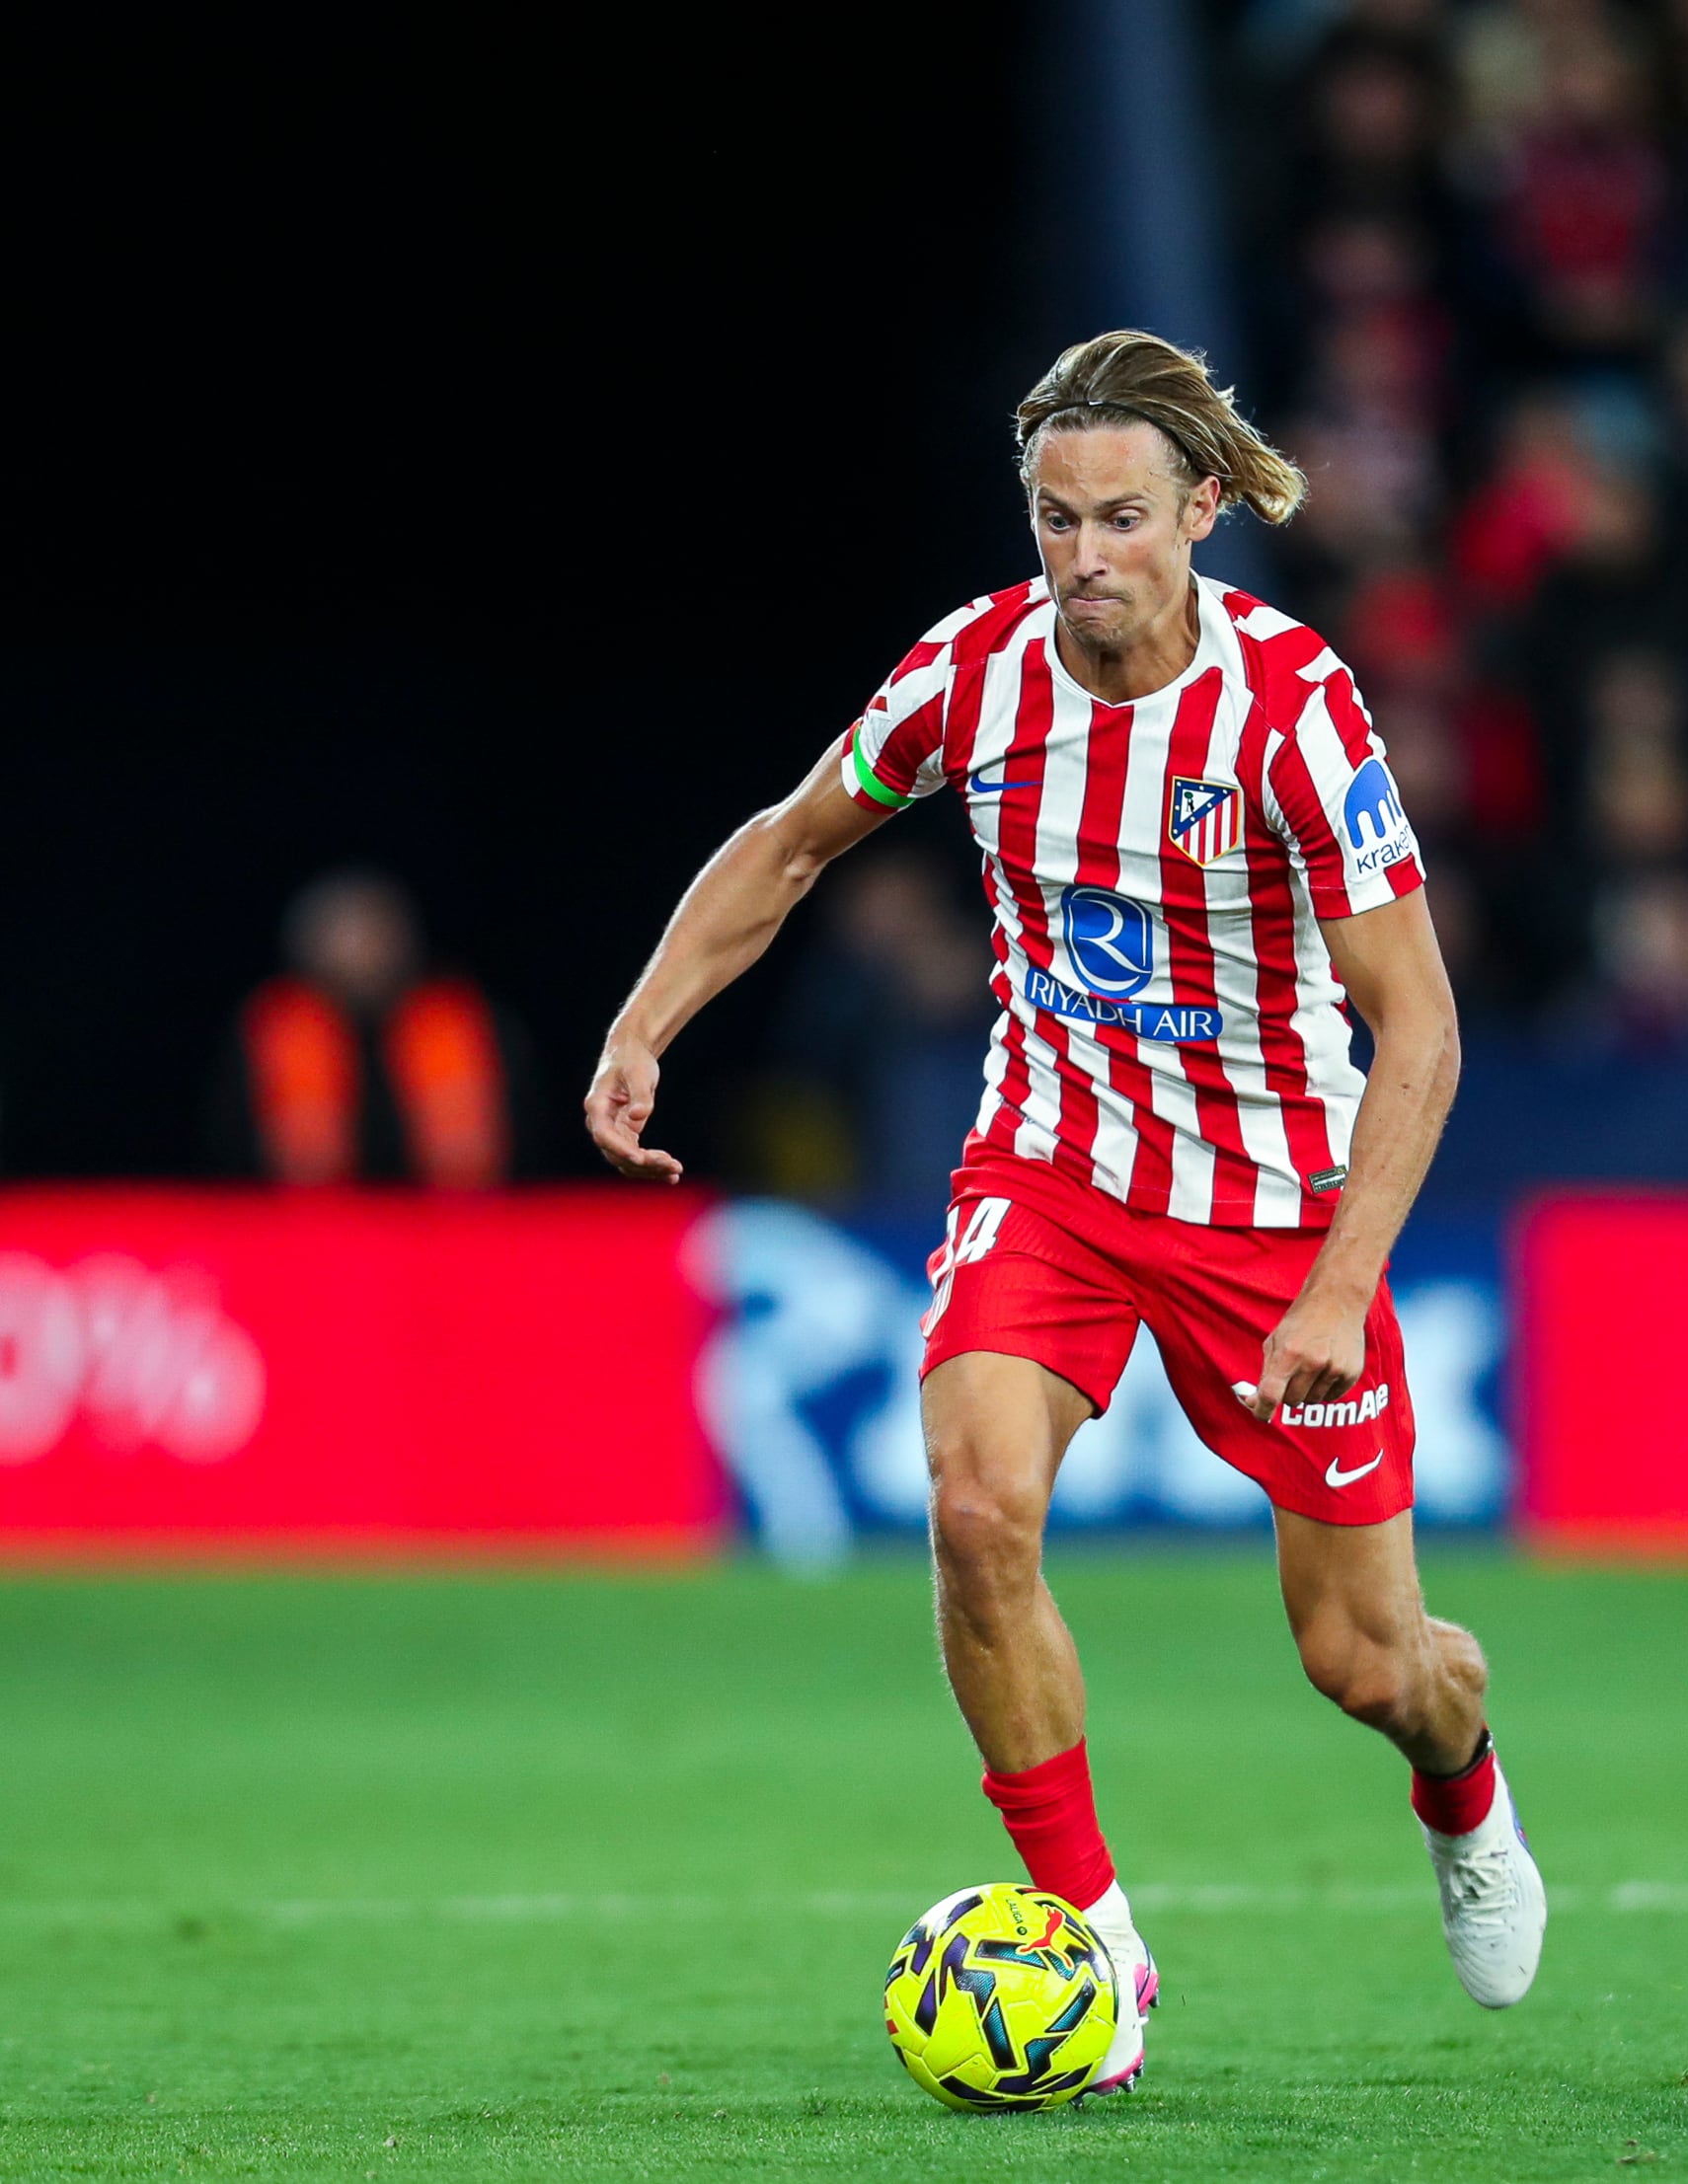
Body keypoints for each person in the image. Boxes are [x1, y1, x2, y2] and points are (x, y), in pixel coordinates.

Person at [581, 332, 1544, 2086]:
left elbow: (1419, 1025)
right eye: (1051, 520)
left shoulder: (1291, 708)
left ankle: (1463, 1793)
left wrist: (1336, 1288)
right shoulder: (973, 674)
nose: (1083, 556)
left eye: (1117, 518)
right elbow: (792, 841)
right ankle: (1092, 1939)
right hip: (1051, 1164)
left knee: (1367, 1660)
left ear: (1197, 512)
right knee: (973, 1508)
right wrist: (646, 1023)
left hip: (1272, 1206)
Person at [224, 868, 514, 1188]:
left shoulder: (461, 1023)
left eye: (376, 933)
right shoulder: (271, 1031)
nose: (363, 951)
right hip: (306, 1225)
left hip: (452, 1221)